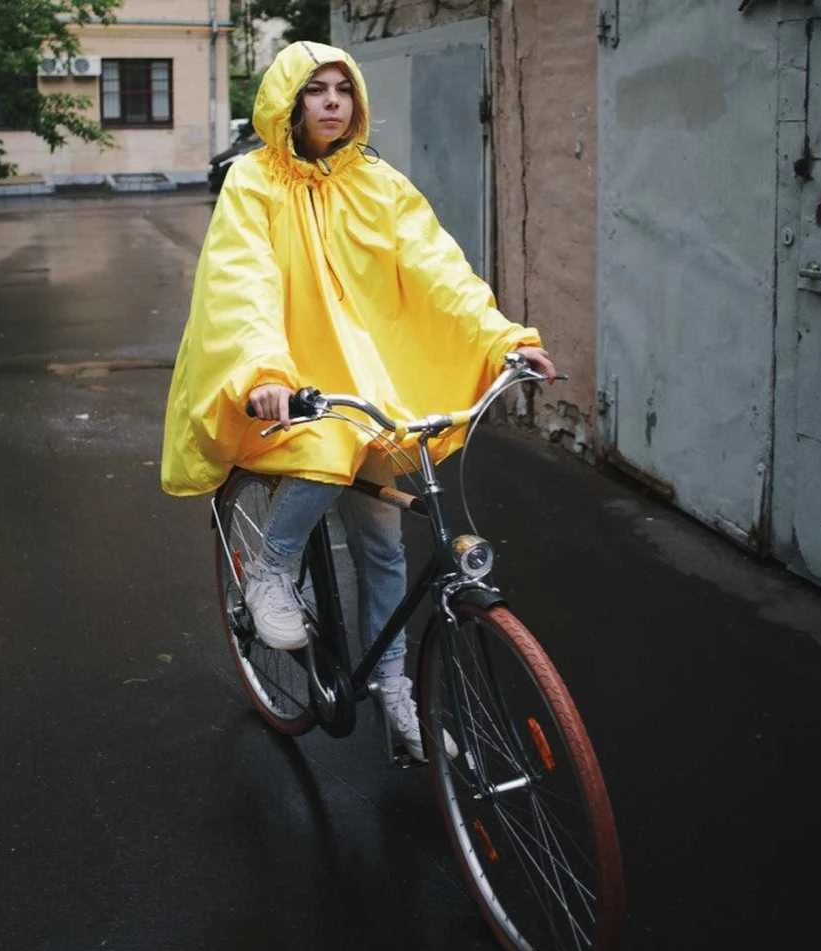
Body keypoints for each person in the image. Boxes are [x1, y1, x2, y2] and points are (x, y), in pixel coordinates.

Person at [161, 41, 555, 760]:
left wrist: (503, 339)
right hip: (288, 386)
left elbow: (438, 266)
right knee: (328, 451)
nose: (333, 102)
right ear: (289, 101)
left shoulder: (378, 182)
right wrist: (264, 372)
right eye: (316, 90)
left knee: (384, 547)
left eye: (344, 89)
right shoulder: (254, 182)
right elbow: (242, 284)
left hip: (359, 382)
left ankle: (397, 694)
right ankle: (272, 573)